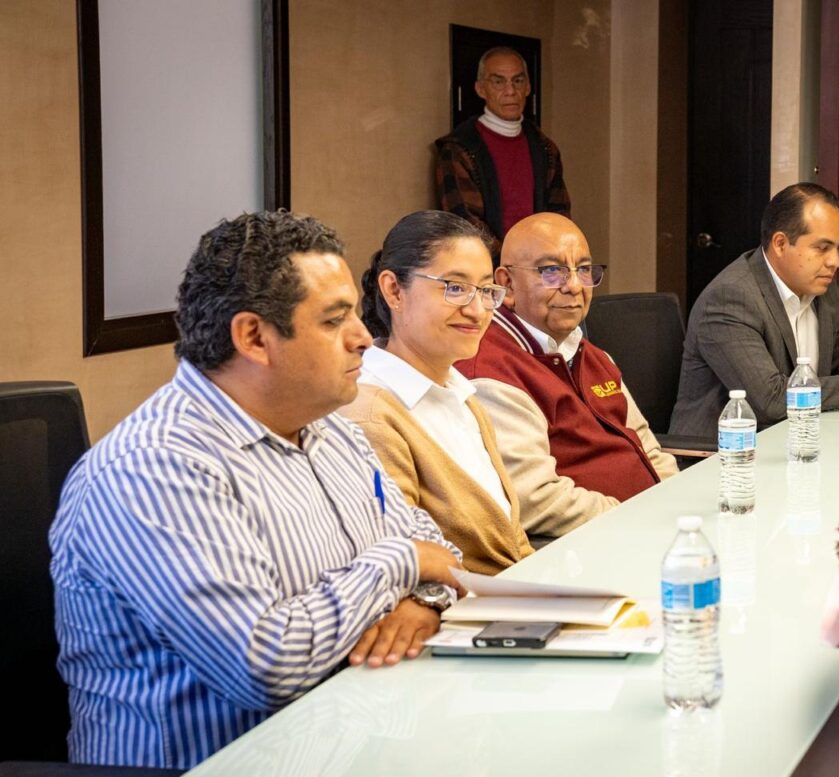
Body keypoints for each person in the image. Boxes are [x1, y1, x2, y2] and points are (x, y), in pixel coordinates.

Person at [49, 211, 465, 770]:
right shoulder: (154, 469)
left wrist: (424, 601)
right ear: (253, 338)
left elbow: (443, 555)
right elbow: (265, 666)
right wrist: (401, 563)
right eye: (334, 320)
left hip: (348, 740)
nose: (364, 337)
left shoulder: (331, 430)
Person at [456, 212, 678, 542]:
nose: (574, 286)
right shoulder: (490, 372)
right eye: (551, 271)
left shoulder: (593, 355)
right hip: (595, 544)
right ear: (507, 285)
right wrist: (639, 518)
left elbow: (648, 448)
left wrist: (679, 504)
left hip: (655, 527)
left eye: (583, 270)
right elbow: (537, 499)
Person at [339, 210, 533, 574]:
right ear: (394, 290)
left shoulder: (462, 395)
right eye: (455, 288)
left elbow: (513, 542)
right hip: (459, 605)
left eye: (486, 291)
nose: (477, 311)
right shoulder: (369, 415)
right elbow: (400, 566)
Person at [669, 182, 839, 445]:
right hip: (725, 456)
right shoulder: (729, 298)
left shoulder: (821, 289)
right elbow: (770, 400)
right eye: (822, 248)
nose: (835, 261)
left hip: (801, 445)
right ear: (780, 244)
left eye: (838, 248)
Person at [435, 46, 570, 262]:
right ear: (481, 89)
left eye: (518, 81)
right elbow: (465, 224)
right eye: (498, 82)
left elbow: (559, 215)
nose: (510, 91)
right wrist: (512, 261)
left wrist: (545, 260)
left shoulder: (545, 149)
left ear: (528, 87)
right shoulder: (459, 149)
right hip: (484, 269)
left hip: (540, 266)